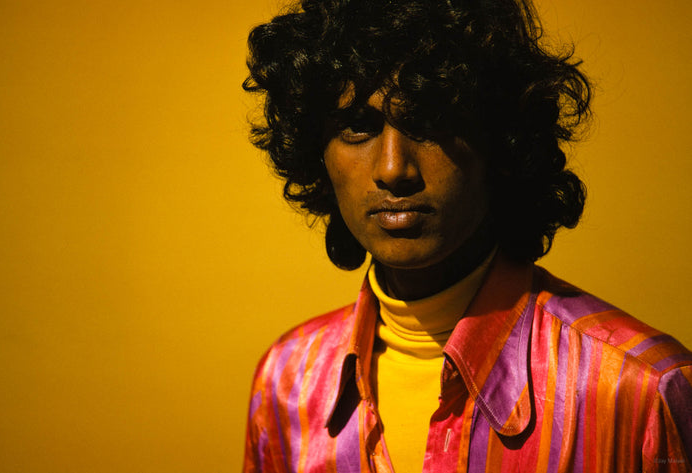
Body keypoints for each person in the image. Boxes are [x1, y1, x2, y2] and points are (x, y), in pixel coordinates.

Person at [241, 0, 692, 471]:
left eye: (431, 120)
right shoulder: (286, 381)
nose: (394, 169)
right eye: (358, 126)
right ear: (318, 154)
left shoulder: (644, 391)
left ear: (501, 140)